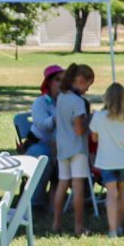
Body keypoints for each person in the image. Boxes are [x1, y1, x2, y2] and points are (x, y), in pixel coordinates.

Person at [50, 63, 94, 235]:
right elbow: (79, 129)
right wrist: (90, 119)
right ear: (80, 81)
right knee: (78, 188)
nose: (87, 90)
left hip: (62, 147)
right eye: (87, 85)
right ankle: (79, 226)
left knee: (62, 184)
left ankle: (56, 223)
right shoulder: (78, 102)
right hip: (77, 149)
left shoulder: (61, 97)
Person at [88, 82, 124, 237]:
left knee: (111, 194)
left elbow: (94, 138)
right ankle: (120, 225)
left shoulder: (99, 117)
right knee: (122, 192)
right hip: (123, 160)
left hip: (106, 160)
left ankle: (112, 230)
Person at [24, 63, 64, 208]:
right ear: (49, 82)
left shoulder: (65, 101)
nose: (61, 83)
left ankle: (68, 200)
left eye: (64, 80)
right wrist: (57, 117)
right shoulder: (40, 102)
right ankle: (36, 202)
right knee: (44, 157)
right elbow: (44, 126)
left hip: (60, 145)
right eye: (58, 80)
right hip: (38, 144)